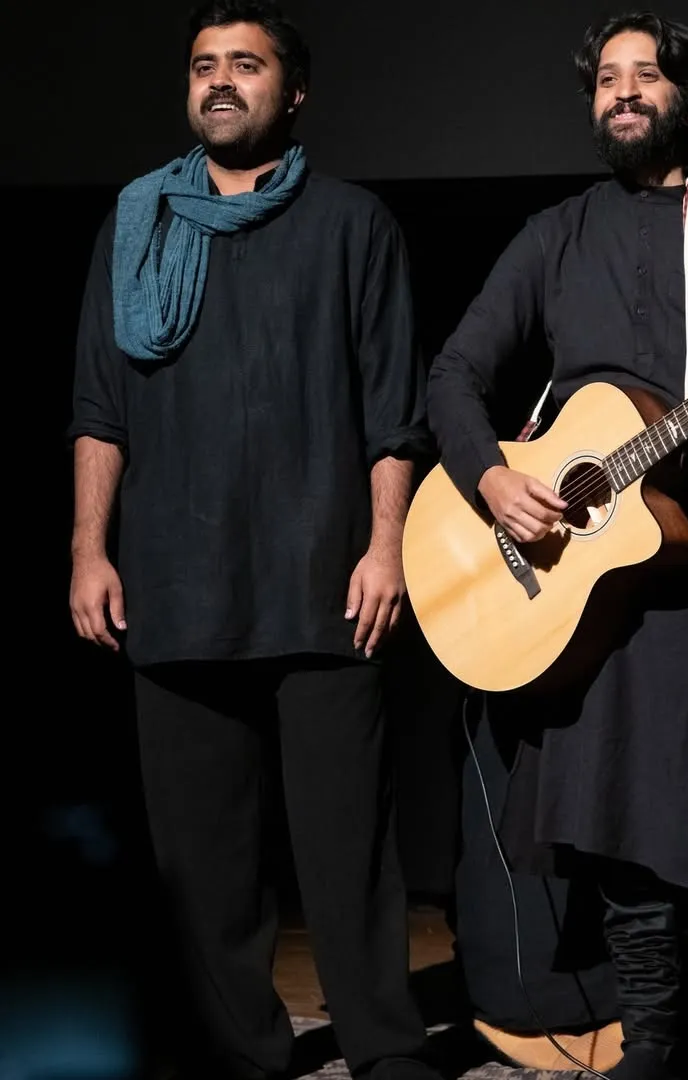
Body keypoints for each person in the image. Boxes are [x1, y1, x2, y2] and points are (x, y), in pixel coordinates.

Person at [427, 11, 688, 1080]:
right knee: (611, 807)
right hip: (597, 574)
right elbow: (453, 374)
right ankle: (651, 1046)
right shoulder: (555, 235)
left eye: (644, 76)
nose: (622, 94)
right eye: (606, 79)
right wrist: (496, 477)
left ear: (686, 99)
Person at [66, 3, 438, 1078]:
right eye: (203, 66)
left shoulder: (352, 225)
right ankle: (241, 1052)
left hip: (323, 582)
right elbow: (100, 408)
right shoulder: (140, 223)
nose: (220, 81)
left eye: (245, 64)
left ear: (295, 88)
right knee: (204, 860)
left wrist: (385, 547)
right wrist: (90, 549)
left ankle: (386, 1052)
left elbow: (391, 413)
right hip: (175, 585)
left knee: (348, 851)